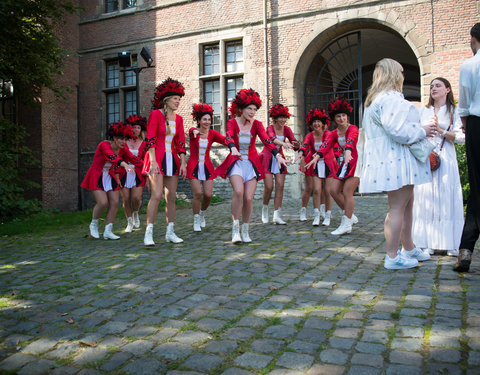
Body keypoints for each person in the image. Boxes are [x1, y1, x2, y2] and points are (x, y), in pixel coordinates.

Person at [358, 58, 435, 269]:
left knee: (406, 206)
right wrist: (423, 131)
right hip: (396, 160)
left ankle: (408, 248)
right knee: (398, 207)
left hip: (395, 159)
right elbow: (398, 131)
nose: (402, 76)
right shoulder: (389, 99)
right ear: (393, 74)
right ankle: (392, 256)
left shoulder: (376, 100)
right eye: (400, 72)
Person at [215, 88, 288, 243]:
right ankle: (235, 229)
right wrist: (232, 148)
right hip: (236, 163)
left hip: (252, 164)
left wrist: (278, 155)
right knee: (239, 192)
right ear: (241, 109)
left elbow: (267, 141)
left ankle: (245, 229)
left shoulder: (257, 124)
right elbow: (228, 136)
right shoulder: (232, 122)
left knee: (248, 197)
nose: (252, 111)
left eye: (255, 109)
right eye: (249, 108)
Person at [412, 78, 465, 256]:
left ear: (447, 90)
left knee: (446, 196)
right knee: (427, 197)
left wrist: (442, 131)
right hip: (427, 157)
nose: (433, 88)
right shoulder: (424, 111)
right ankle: (426, 242)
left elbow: (461, 137)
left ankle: (450, 243)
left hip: (446, 157)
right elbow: (415, 132)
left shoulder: (453, 111)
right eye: (431, 86)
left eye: (438, 86)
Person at [142, 78, 187, 246]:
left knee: (171, 197)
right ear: (166, 100)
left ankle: (170, 232)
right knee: (156, 195)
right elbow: (150, 139)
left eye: (179, 99)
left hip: (172, 159)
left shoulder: (180, 119)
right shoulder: (156, 114)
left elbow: (181, 143)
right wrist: (153, 161)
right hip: (157, 158)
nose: (178, 102)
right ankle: (148, 233)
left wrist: (183, 162)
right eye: (175, 98)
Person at [306, 98, 359, 235]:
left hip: (357, 161)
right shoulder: (334, 133)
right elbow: (325, 145)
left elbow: (351, 141)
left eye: (344, 116)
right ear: (334, 119)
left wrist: (347, 152)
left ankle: (346, 222)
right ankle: (350, 215)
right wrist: (316, 157)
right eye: (338, 116)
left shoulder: (353, 128)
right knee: (333, 190)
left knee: (347, 191)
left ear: (347, 116)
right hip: (345, 163)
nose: (341, 118)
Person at [81, 122, 142, 240]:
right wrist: (124, 165)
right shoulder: (104, 145)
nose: (123, 142)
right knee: (103, 202)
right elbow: (112, 157)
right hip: (96, 175)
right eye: (120, 139)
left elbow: (133, 158)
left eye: (125, 139)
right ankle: (93, 225)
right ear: (114, 138)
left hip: (109, 176)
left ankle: (108, 231)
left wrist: (149, 166)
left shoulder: (123, 149)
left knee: (114, 202)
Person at [454, 23, 480, 272]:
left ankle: (466, 250)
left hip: (476, 125)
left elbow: (464, 102)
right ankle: (465, 249)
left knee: (477, 186)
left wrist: (465, 124)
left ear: (473, 38)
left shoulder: (470, 64)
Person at [187, 103, 229, 232]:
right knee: (198, 193)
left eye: (209, 119)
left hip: (206, 165)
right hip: (193, 165)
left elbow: (225, 140)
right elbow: (191, 131)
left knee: (209, 195)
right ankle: (195, 220)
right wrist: (194, 130)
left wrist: (234, 140)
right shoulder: (193, 131)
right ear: (199, 120)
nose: (207, 122)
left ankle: (202, 214)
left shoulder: (212, 133)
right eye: (204, 119)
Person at [259, 104, 299, 225]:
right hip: (267, 157)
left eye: (284, 117)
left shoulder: (287, 129)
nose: (282, 120)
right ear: (275, 118)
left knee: (280, 186)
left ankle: (277, 215)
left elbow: (293, 141)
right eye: (280, 117)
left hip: (279, 158)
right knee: (269, 186)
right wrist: (283, 143)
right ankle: (265, 209)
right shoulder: (269, 128)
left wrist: (297, 144)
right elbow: (272, 139)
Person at [296, 108, 337, 226]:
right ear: (311, 123)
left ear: (323, 123)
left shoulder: (329, 134)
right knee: (316, 190)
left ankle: (328, 215)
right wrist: (300, 153)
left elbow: (326, 146)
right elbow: (304, 145)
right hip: (315, 164)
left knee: (328, 190)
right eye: (314, 121)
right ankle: (316, 215)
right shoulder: (310, 135)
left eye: (319, 121)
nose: (316, 124)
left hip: (328, 163)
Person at [119, 114, 147, 232]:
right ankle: (129, 222)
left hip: (138, 173)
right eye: (133, 127)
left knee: (136, 198)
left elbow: (146, 161)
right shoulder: (123, 142)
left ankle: (136, 213)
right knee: (126, 198)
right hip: (124, 173)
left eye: (138, 128)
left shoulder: (144, 144)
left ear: (141, 129)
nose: (135, 130)